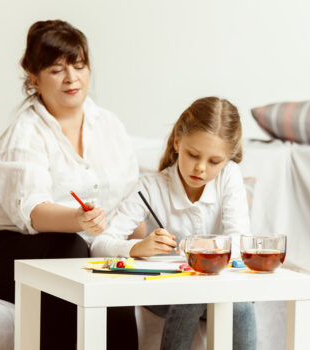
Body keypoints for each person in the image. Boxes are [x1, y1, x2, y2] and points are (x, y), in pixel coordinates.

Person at [0, 20, 139, 349]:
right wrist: (77, 220)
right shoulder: (24, 133)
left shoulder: (110, 126)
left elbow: (129, 202)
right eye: (57, 70)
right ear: (34, 79)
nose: (72, 78)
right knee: (72, 253)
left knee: (112, 268)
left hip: (74, 248)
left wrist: (146, 248)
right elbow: (33, 212)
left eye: (79, 66)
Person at [90, 96, 257, 350]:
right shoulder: (150, 187)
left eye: (214, 162)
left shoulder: (229, 176)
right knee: (189, 296)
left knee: (242, 304)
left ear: (227, 160)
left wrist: (202, 251)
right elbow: (99, 244)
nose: (201, 168)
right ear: (178, 141)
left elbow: (240, 240)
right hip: (166, 294)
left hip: (219, 290)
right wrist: (136, 248)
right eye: (193, 154)